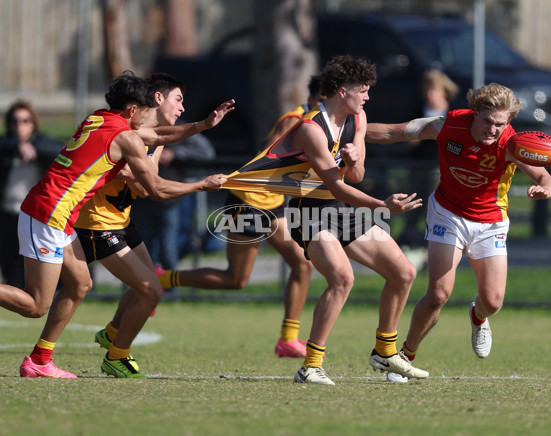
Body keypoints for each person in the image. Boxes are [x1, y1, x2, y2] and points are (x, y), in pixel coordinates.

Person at [2, 70, 233, 378]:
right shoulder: (125, 137)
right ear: (133, 109)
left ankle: (39, 361)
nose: (149, 117)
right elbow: (156, 189)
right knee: (36, 305)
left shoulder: (99, 118)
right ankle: (70, 356)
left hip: (56, 214)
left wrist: (202, 125)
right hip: (48, 215)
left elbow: (155, 136)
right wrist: (202, 184)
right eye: (146, 110)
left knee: (81, 284)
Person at [225, 55, 430, 385]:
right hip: (311, 216)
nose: (367, 97)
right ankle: (310, 367)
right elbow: (335, 186)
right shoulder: (309, 129)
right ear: (341, 91)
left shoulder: (358, 119)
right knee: (342, 278)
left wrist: (352, 161)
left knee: (403, 272)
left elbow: (355, 177)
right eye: (362, 91)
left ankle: (385, 352)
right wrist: (382, 205)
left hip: (344, 211)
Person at [366, 82, 551, 365]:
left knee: (492, 302)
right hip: (448, 214)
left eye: (501, 124)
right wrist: (347, 131)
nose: (493, 130)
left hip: (490, 223)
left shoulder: (511, 144)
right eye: (488, 122)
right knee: (438, 294)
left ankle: (477, 315)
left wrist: (546, 190)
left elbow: (548, 180)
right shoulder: (446, 125)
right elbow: (392, 132)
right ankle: (405, 356)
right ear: (475, 113)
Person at [154, 74, 325, 358]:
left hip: (272, 204)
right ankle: (163, 279)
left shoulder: (324, 123)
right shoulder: (295, 120)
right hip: (250, 201)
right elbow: (270, 158)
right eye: (322, 101)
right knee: (236, 280)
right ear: (315, 98)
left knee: (302, 264)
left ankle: (288, 339)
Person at [131, 124, 216, 272]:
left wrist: (175, 153)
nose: (180, 108)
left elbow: (207, 151)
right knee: (142, 249)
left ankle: (170, 290)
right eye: (177, 100)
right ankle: (142, 289)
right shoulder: (137, 129)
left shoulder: (181, 128)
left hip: (169, 203)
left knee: (168, 249)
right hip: (140, 201)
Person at [0, 100, 64, 288]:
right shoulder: (6, 146)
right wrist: (17, 146)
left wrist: (32, 148)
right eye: (15, 121)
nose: (20, 125)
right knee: (12, 274)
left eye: (25, 121)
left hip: (34, 218)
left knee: (38, 274)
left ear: (33, 123)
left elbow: (58, 151)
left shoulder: (42, 142)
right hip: (8, 214)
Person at [396, 70, 459, 248]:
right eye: (428, 89)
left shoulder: (452, 111)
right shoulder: (420, 109)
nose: (430, 94)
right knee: (414, 199)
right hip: (418, 163)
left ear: (444, 91)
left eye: (434, 89)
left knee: (434, 202)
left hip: (439, 166)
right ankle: (409, 236)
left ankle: (431, 237)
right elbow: (410, 138)